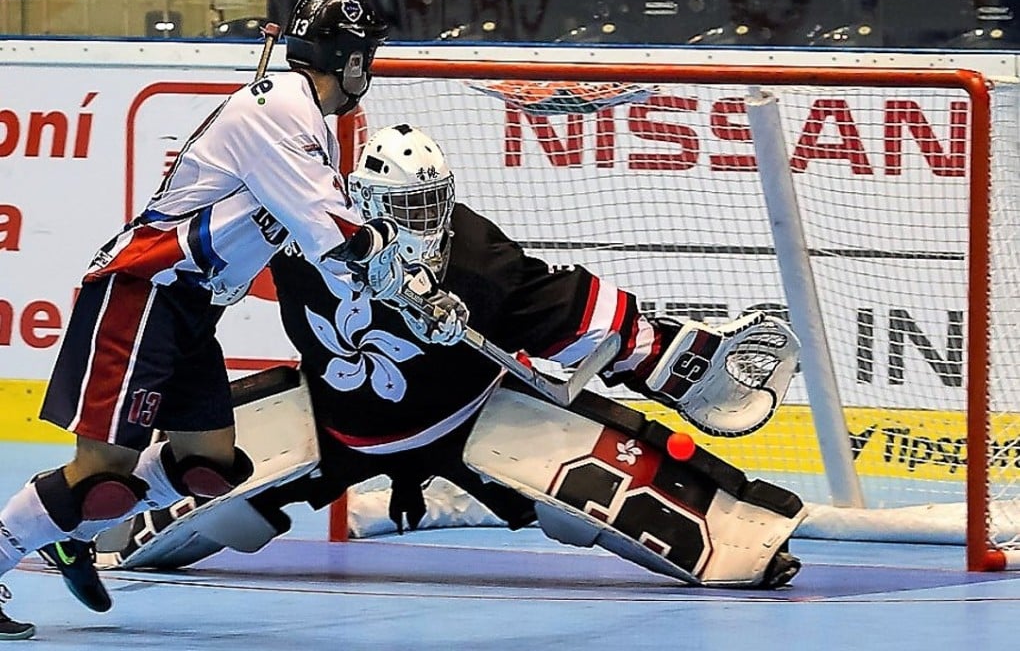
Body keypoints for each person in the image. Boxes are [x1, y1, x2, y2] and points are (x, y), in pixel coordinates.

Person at [41, 122, 806, 611]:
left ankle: (741, 532)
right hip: (333, 424)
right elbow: (192, 270)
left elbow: (576, 316)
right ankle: (60, 527)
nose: (420, 225)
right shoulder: (306, 234)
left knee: (703, 530)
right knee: (180, 492)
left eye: (429, 204)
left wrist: (675, 355)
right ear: (357, 201)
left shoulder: (475, 258)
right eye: (401, 209)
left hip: (475, 420)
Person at [0, 0, 465, 641]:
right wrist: (410, 286)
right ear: (352, 60)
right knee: (100, 472)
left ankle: (66, 526)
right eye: (367, 56)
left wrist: (410, 295)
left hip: (187, 305)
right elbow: (334, 229)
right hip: (145, 289)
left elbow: (328, 248)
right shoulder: (278, 110)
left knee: (208, 465)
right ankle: (34, 533)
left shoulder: (299, 120)